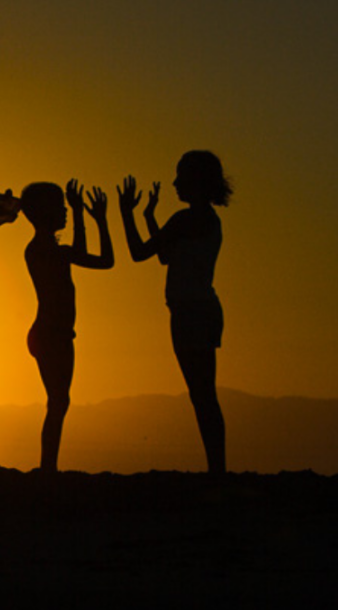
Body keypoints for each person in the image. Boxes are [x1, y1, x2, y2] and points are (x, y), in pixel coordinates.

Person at [118, 151, 232, 474]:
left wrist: (126, 213)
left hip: (190, 313)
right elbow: (166, 255)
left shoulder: (185, 219)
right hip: (203, 310)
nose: (175, 183)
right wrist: (149, 217)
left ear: (195, 180)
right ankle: (217, 468)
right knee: (204, 394)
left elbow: (140, 252)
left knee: (202, 395)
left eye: (180, 176)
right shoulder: (208, 220)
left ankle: (217, 470)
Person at [22, 180, 114, 472]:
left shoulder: (47, 249)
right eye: (60, 207)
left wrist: (82, 215)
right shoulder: (43, 250)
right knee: (58, 402)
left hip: (54, 334)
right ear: (44, 211)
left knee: (59, 402)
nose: (63, 212)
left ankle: (48, 466)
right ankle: (47, 467)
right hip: (50, 334)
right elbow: (101, 259)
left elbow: (102, 261)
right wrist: (92, 218)